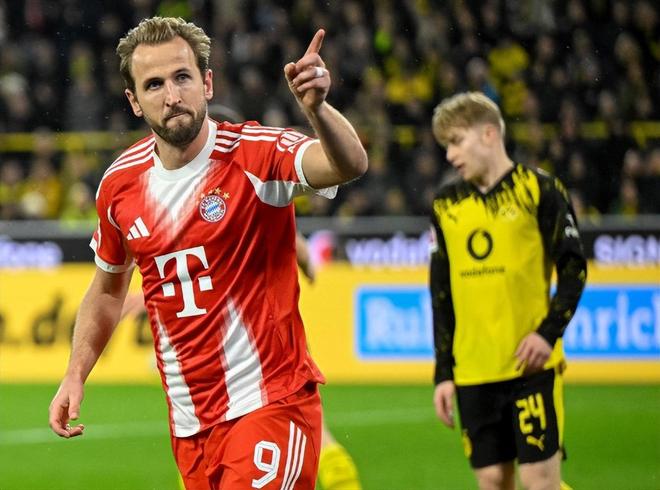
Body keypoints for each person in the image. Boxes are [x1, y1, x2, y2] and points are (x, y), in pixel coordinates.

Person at [48, 16, 367, 490]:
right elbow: (108, 290)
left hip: (271, 405)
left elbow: (349, 164)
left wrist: (318, 110)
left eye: (182, 77)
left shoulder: (256, 153)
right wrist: (75, 374)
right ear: (134, 101)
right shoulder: (119, 185)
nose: (171, 95)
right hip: (190, 427)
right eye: (154, 84)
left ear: (207, 83)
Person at [429, 92, 586, 490]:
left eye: (456, 141)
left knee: (539, 481)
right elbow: (441, 293)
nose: (449, 155)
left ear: (488, 134)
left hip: (529, 369)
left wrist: (547, 335)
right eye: (446, 145)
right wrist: (444, 372)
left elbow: (573, 269)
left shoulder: (540, 190)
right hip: (473, 371)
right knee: (492, 480)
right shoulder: (445, 205)